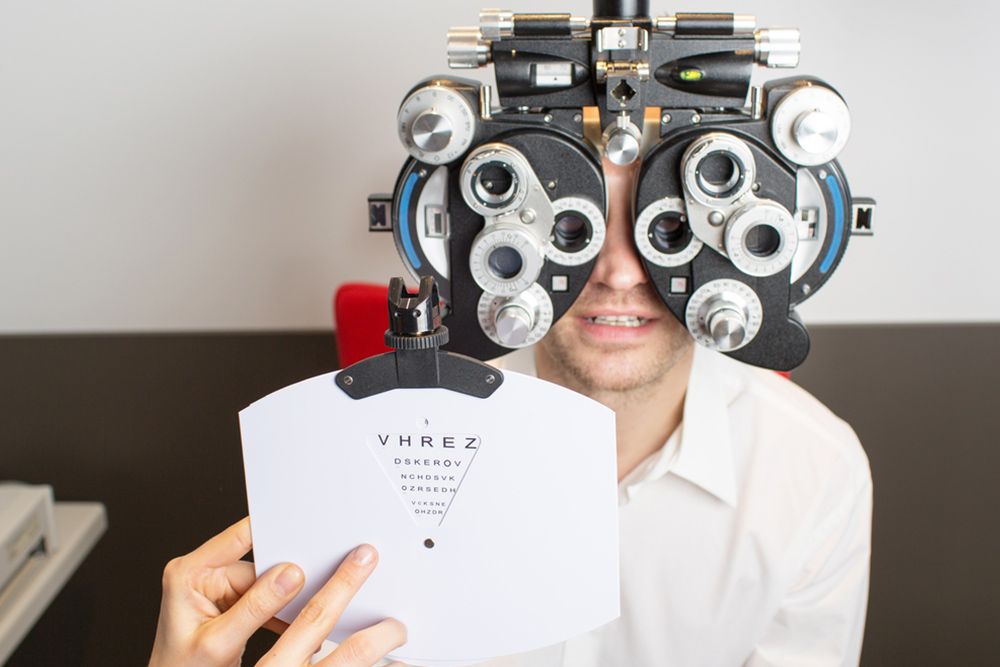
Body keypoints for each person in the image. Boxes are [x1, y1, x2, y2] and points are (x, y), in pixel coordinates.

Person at [150, 159, 872, 666]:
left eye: (667, 228)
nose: (618, 271)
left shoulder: (814, 473)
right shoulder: (358, 453)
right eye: (570, 228)